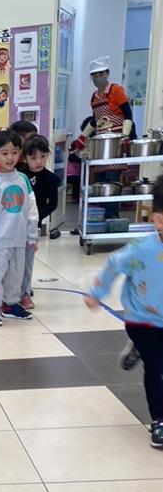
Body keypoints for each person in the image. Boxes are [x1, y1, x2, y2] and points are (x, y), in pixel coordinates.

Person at [85, 174, 163, 449]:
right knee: (157, 368)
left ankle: (139, 351)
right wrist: (96, 294)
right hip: (142, 321)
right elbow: (113, 265)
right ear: (158, 220)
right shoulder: (142, 249)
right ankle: (159, 420)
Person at [0, 129, 38, 327]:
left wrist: (32, 236)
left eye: (14, 152)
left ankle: (10, 304)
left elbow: (31, 209)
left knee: (16, 275)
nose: (10, 157)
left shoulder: (23, 179)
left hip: (19, 238)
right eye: (4, 153)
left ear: (20, 153)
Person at [18, 135, 60, 309]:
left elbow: (53, 204)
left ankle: (25, 292)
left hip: (32, 226)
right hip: (13, 225)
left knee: (27, 262)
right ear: (25, 158)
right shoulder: (19, 175)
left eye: (42, 157)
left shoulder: (50, 179)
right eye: (33, 157)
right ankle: (8, 292)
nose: (38, 162)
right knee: (11, 261)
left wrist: (35, 218)